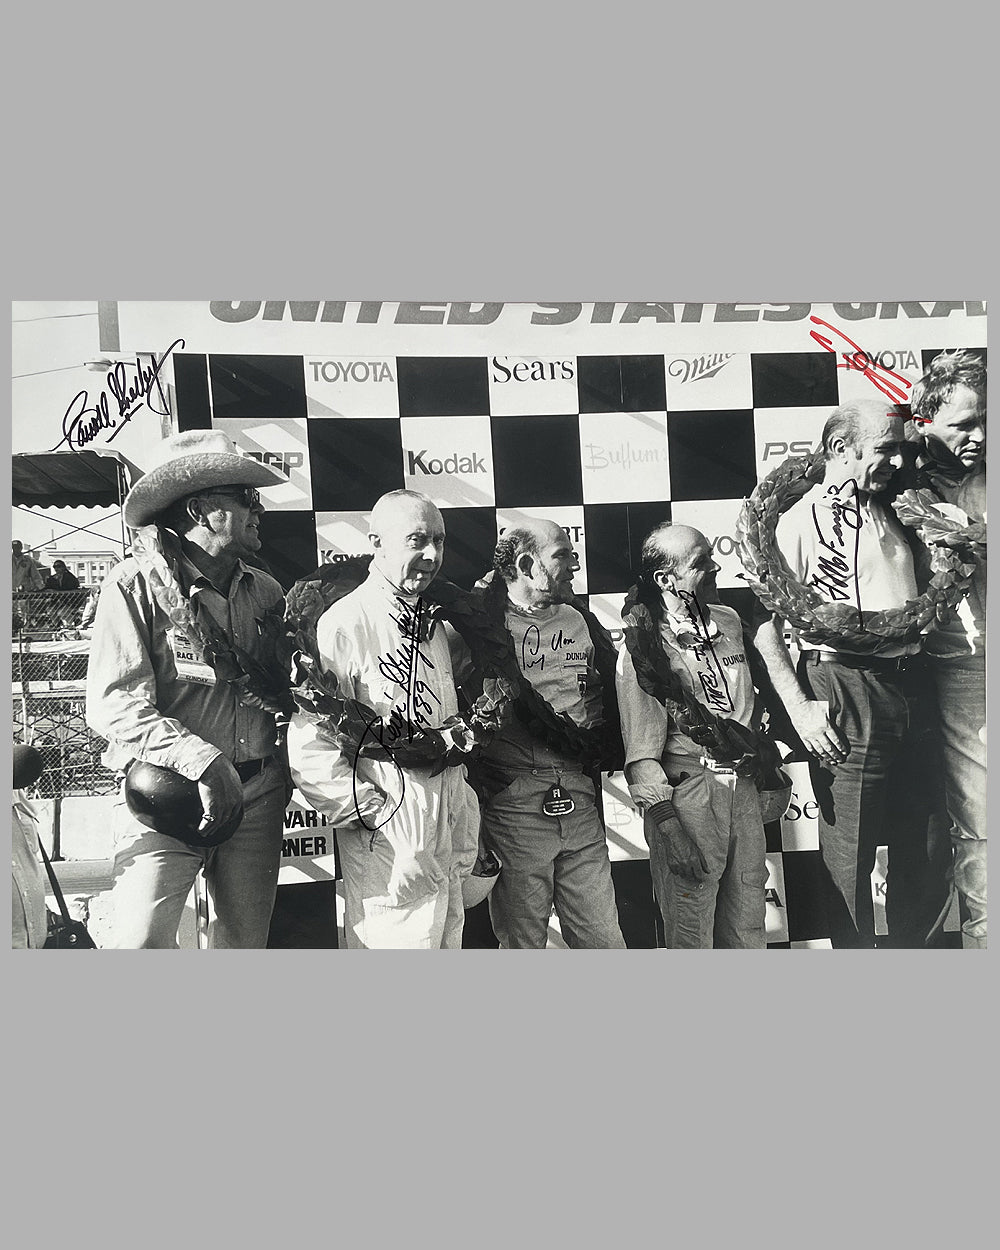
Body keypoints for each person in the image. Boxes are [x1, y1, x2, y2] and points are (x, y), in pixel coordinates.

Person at [752, 399, 949, 948]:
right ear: (842, 449)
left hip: (914, 682)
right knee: (851, 855)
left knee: (929, 844)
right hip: (844, 686)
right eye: (886, 450)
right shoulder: (798, 520)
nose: (899, 462)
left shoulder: (900, 509)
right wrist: (799, 706)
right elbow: (766, 628)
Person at [86, 430, 290, 949]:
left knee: (243, 949)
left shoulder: (266, 591)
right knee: (141, 945)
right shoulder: (134, 585)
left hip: (257, 799)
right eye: (247, 498)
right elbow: (112, 702)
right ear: (202, 510)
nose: (259, 509)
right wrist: (201, 759)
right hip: (164, 800)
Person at [285, 490, 480, 949]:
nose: (431, 555)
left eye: (439, 541)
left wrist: (461, 806)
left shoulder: (430, 622)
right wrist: (374, 815)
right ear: (378, 542)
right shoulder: (347, 620)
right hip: (388, 826)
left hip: (443, 816)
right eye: (417, 540)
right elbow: (312, 736)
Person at [471, 518, 626, 949]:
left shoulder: (579, 620)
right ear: (525, 564)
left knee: (604, 940)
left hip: (579, 795)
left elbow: (603, 695)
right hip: (515, 801)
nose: (575, 565)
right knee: (524, 944)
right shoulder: (476, 626)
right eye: (562, 555)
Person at [617, 524, 774, 948]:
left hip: (741, 788)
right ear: (666, 580)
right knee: (692, 934)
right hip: (689, 795)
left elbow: (750, 706)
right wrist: (671, 831)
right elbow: (641, 753)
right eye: (700, 562)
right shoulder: (644, 644)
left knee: (749, 927)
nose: (715, 566)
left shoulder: (728, 621)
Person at [908, 350, 987, 947]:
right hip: (958, 668)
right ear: (924, 418)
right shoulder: (894, 483)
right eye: (963, 423)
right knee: (981, 820)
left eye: (986, 420)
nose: (979, 435)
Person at [11, 540, 44, 631]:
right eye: (14, 548)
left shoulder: (27, 560)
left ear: (21, 548)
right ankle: (13, 630)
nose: (16, 549)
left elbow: (35, 575)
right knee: (11, 611)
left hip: (24, 590)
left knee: (23, 611)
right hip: (11, 590)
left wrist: (40, 587)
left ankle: (24, 629)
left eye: (17, 547)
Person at [43, 560, 82, 628]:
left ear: (63, 567)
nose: (56, 568)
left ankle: (69, 626)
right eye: (55, 567)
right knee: (50, 611)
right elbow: (47, 587)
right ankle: (57, 626)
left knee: (62, 612)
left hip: (69, 601)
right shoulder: (52, 578)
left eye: (59, 566)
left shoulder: (70, 577)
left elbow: (73, 587)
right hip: (56, 601)